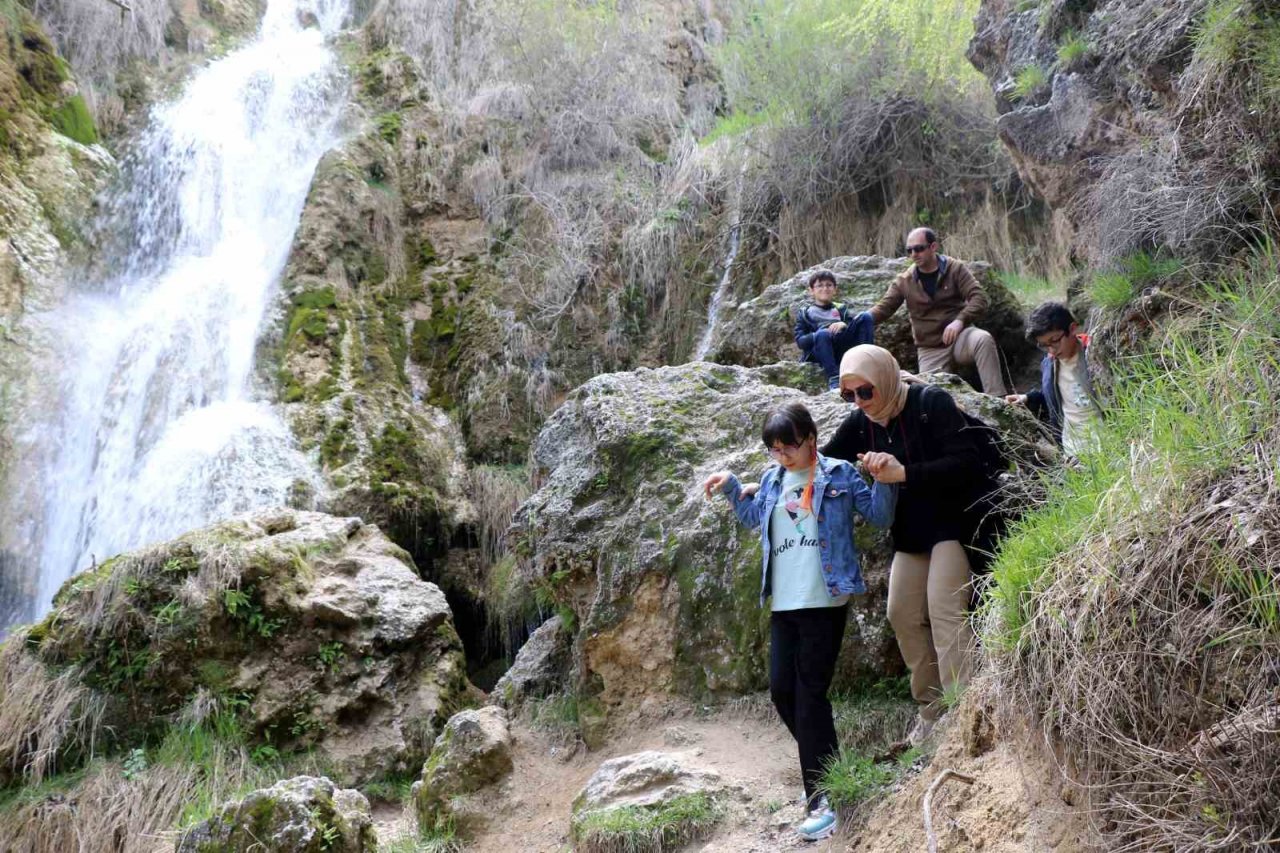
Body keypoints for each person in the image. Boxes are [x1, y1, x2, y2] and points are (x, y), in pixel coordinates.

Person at [702, 402, 896, 841]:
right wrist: (734, 486)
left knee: (809, 695)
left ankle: (822, 799)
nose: (783, 456)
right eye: (774, 450)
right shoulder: (772, 480)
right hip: (784, 603)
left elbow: (881, 516)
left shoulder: (841, 474)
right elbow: (754, 519)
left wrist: (884, 478)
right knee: (781, 692)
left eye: (789, 447)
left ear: (811, 437)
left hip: (825, 599)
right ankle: (829, 764)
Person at [822, 344, 984, 743]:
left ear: (886, 379)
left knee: (944, 608)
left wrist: (904, 474)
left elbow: (968, 462)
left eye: (865, 391)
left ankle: (966, 712)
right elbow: (824, 463)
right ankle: (931, 715)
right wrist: (766, 484)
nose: (858, 402)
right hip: (911, 535)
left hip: (954, 525)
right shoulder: (862, 423)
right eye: (849, 395)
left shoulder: (931, 403)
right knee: (902, 613)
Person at [865, 227, 1010, 396]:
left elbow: (979, 298)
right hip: (930, 348)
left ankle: (999, 399)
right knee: (929, 396)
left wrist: (960, 320)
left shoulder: (955, 268)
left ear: (933, 247)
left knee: (983, 339)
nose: (914, 254)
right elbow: (883, 308)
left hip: (961, 338)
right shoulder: (905, 281)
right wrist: (854, 320)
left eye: (919, 248)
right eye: (909, 250)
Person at [1006, 301, 1102, 458]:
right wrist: (1027, 398)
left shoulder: (1094, 354)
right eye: (1043, 345)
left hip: (1108, 445)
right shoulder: (1049, 364)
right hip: (1072, 453)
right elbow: (1056, 397)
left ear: (1072, 329)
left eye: (1055, 340)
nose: (1051, 349)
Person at [794, 270, 874, 391]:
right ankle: (834, 379)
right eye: (820, 285)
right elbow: (801, 341)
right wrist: (819, 334)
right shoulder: (805, 313)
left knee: (865, 317)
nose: (825, 289)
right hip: (821, 349)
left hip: (842, 345)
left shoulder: (841, 309)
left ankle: (867, 365)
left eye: (829, 285)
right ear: (811, 290)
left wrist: (844, 324)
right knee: (823, 334)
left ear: (835, 289)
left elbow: (853, 326)